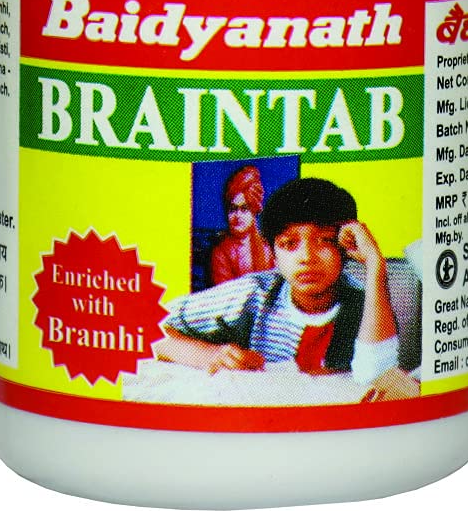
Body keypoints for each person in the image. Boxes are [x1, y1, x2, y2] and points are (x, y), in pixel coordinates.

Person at [158, 177, 417, 393]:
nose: (307, 257)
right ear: (273, 254)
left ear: (346, 245)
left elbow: (376, 377)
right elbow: (150, 325)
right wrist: (207, 354)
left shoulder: (367, 303)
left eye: (325, 241)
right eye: (289, 244)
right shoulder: (254, 294)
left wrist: (375, 265)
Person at [209, 165, 274, 285]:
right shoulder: (221, 253)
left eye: (244, 209)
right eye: (233, 209)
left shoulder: (268, 249)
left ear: (254, 211)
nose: (238, 216)